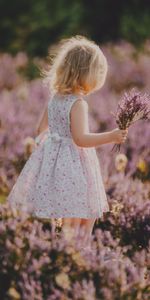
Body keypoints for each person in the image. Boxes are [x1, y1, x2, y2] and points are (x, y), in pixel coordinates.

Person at [7, 35, 128, 251]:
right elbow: (80, 139)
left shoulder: (55, 98)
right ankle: (79, 258)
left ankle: (65, 255)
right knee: (83, 216)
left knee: (66, 217)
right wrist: (112, 136)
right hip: (76, 167)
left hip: (58, 165)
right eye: (98, 73)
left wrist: (51, 148)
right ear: (86, 74)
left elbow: (39, 130)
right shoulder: (78, 103)